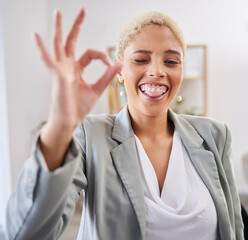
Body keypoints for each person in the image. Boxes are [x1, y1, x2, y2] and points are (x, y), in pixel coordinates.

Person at [6, 5, 243, 240]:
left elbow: (234, 227)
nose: (157, 71)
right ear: (119, 70)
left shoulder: (215, 136)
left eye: (171, 62)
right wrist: (59, 126)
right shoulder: (92, 136)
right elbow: (27, 233)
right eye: (141, 59)